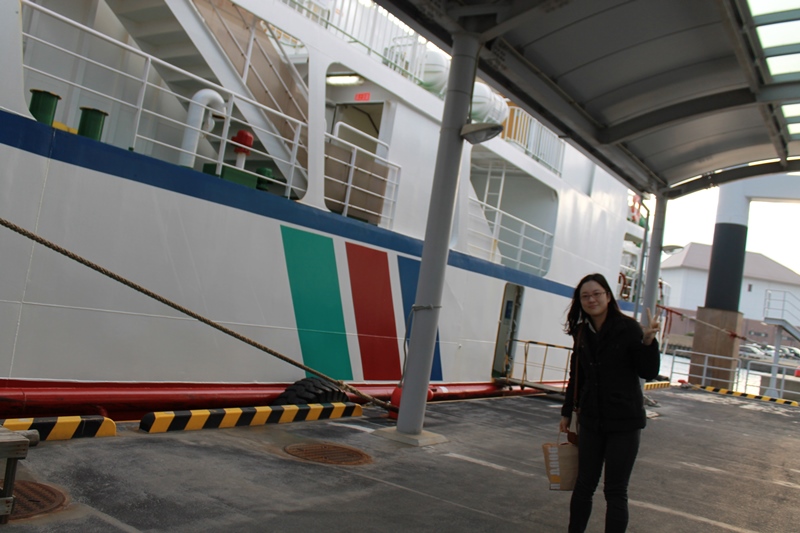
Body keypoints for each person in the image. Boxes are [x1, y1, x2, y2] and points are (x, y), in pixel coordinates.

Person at [559, 273, 660, 533]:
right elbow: (576, 376)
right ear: (580, 302)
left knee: (615, 490)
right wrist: (567, 412)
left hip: (624, 423)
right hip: (591, 420)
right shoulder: (582, 333)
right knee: (584, 485)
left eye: (596, 294)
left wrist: (649, 342)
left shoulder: (629, 328)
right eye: (585, 296)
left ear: (608, 296)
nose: (591, 299)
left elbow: (648, 371)